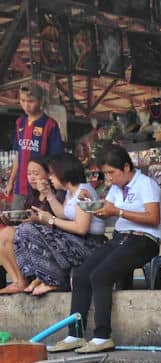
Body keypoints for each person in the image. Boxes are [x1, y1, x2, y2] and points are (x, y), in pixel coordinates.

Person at [47, 144, 161, 355]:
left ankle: (102, 336)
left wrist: (117, 211)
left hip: (143, 240)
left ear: (126, 167)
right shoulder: (117, 188)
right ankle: (76, 334)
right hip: (120, 238)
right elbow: (106, 209)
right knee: (81, 274)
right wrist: (92, 205)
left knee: (101, 275)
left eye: (111, 172)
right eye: (106, 173)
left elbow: (153, 218)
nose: (109, 178)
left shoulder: (146, 184)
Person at [8, 153, 105, 296]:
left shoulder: (83, 192)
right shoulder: (69, 193)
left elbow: (81, 228)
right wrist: (48, 195)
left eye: (53, 174)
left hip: (90, 244)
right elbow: (62, 214)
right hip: (76, 240)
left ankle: (53, 280)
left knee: (29, 230)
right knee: (23, 229)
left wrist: (50, 220)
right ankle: (40, 276)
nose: (50, 178)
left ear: (63, 173)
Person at [0, 156, 65, 295]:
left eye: (36, 173)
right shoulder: (32, 197)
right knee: (4, 232)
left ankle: (24, 280)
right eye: (29, 174)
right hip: (29, 234)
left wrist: (37, 219)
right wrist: (9, 220)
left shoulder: (58, 194)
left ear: (48, 174)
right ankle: (18, 280)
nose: (32, 178)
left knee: (8, 233)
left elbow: (60, 221)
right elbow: (26, 219)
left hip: (52, 241)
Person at [4, 81, 64, 210]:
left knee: (36, 223)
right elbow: (18, 156)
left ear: (41, 101)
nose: (26, 105)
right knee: (16, 220)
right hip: (20, 186)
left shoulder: (50, 125)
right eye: (23, 100)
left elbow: (56, 159)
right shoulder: (20, 123)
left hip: (40, 188)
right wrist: (11, 182)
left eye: (30, 101)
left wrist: (53, 182)